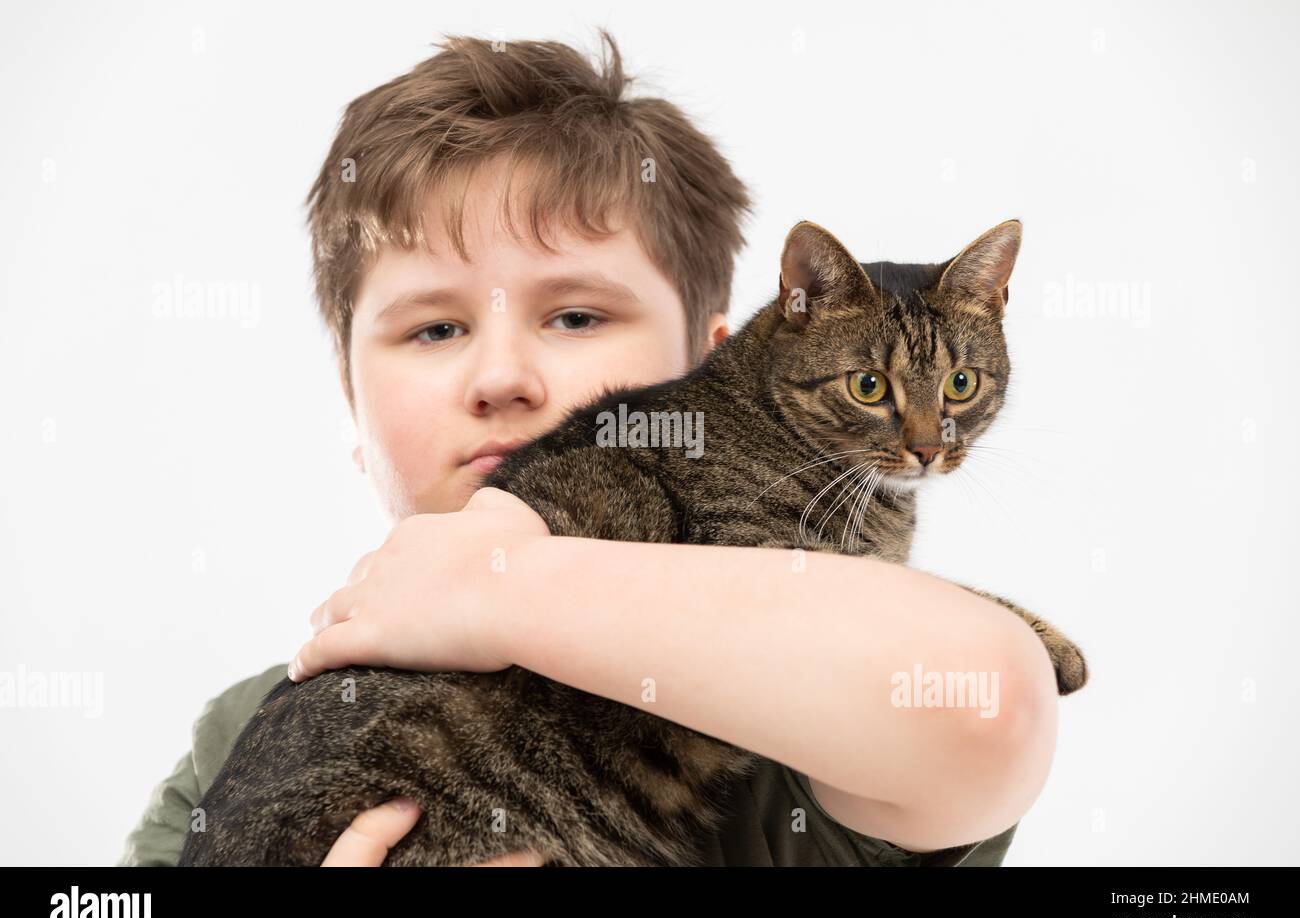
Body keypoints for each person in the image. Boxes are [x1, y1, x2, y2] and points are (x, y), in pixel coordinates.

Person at [117, 30, 1057, 868]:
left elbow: (989, 702)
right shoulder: (233, 741)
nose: (504, 376)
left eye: (574, 315)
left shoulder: (825, 729)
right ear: (350, 406)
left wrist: (492, 583)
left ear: (709, 373)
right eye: (434, 330)